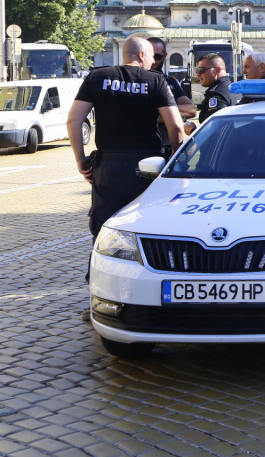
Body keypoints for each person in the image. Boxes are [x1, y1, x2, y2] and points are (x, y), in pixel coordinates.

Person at [66, 36, 184, 313]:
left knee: (104, 231)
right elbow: (176, 127)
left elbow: (74, 119)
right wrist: (177, 164)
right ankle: (155, 296)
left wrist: (81, 159)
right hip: (148, 167)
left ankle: (100, 300)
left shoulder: (97, 77)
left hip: (109, 166)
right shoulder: (155, 81)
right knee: (152, 229)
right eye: (152, 58)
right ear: (143, 56)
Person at [147, 37, 196, 156]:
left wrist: (160, 114)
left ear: (165, 56)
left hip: (167, 147)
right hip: (142, 147)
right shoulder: (135, 81)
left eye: (157, 57)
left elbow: (191, 110)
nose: (153, 60)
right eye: (150, 55)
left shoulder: (170, 82)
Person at [186, 53, 241, 133]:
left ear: (217, 70)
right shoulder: (234, 88)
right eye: (197, 70)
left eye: (201, 70)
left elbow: (214, 132)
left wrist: (192, 131)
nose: (198, 74)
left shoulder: (217, 95)